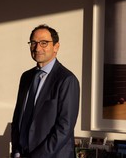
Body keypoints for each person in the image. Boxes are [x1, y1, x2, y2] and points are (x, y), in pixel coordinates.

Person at [11, 24, 80, 158]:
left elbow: (64, 128)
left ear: (56, 47)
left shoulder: (67, 80)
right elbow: (18, 118)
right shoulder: (26, 77)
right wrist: (16, 150)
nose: (37, 48)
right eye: (34, 43)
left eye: (44, 43)